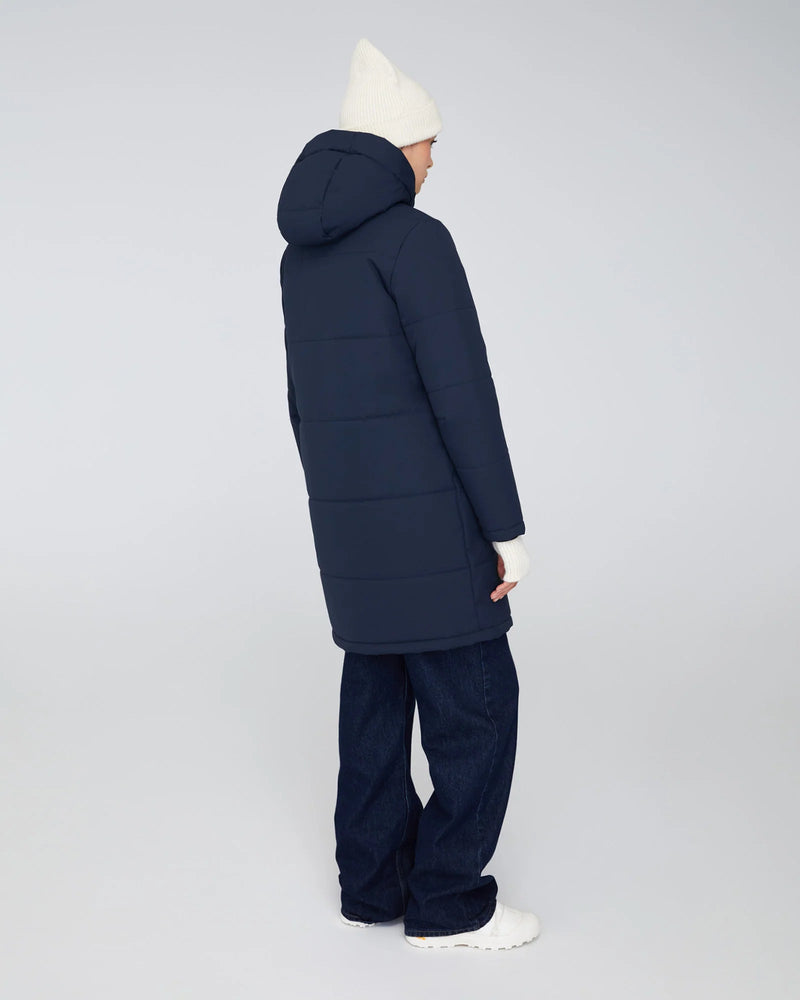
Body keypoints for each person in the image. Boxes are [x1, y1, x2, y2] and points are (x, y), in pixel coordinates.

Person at [277, 37, 541, 950]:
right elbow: (464, 397)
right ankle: (448, 903)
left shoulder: (300, 258)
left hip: (351, 535)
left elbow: (302, 408)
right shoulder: (415, 241)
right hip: (433, 531)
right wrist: (505, 528)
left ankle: (372, 887)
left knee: (375, 707)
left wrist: (340, 514)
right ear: (398, 143)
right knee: (478, 711)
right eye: (429, 144)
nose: (434, 161)